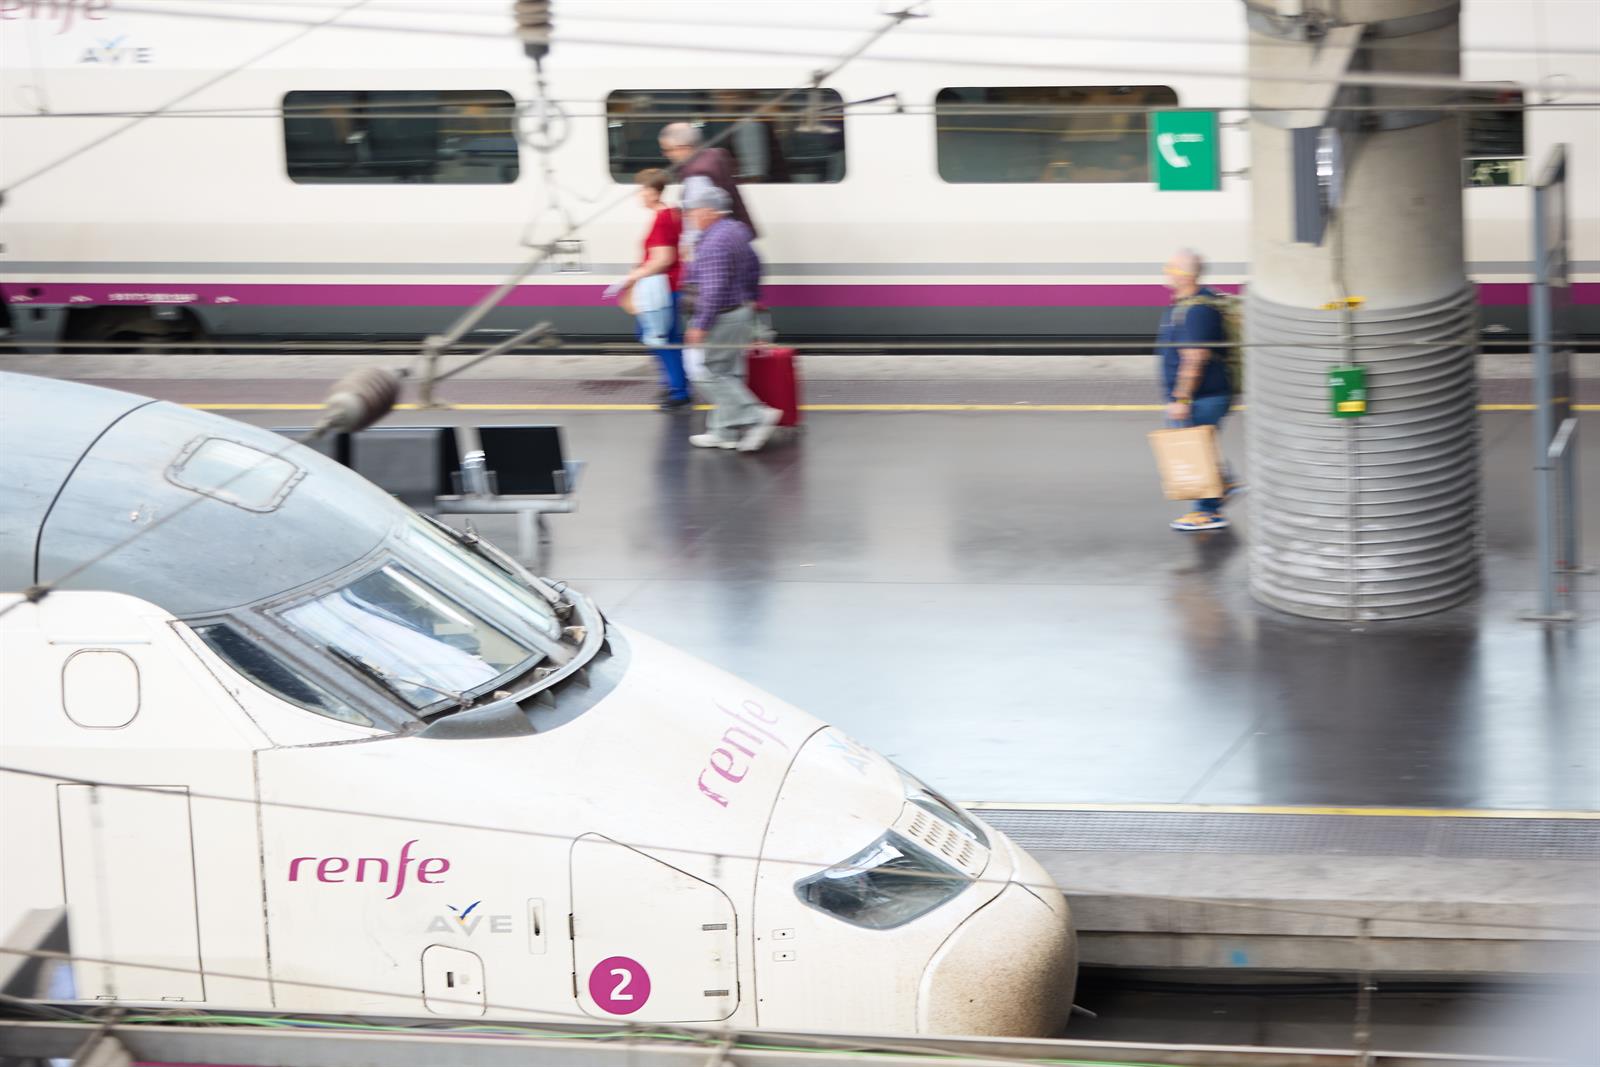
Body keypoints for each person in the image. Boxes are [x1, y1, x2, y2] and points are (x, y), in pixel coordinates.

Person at [681, 185, 781, 452]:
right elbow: (757, 265)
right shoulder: (736, 231)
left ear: (709, 211)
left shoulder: (714, 243)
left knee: (710, 373)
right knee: (729, 373)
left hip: (721, 318)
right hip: (739, 312)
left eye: (693, 210)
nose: (689, 215)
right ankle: (723, 432)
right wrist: (749, 298)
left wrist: (701, 325)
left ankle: (757, 416)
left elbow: (712, 290)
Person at [1158, 249, 1240, 532]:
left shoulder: (1197, 311)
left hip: (1203, 396)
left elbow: (1195, 358)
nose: (1166, 272)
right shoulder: (1186, 305)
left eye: (1169, 267)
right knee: (1200, 445)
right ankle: (1225, 483)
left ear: (1185, 275)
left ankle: (1208, 512)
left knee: (1195, 451)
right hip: (1203, 396)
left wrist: (1181, 398)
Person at [602, 168, 691, 411]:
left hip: (660, 288)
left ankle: (678, 391)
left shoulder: (662, 219)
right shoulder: (672, 212)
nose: (639, 195)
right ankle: (677, 384)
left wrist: (633, 276)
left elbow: (664, 257)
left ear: (652, 192)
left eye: (642, 190)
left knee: (659, 338)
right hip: (668, 287)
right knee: (664, 337)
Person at [658, 122, 757, 236]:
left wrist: (689, 242)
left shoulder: (696, 174)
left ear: (682, 148)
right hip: (737, 233)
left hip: (716, 241)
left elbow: (698, 221)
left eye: (668, 150)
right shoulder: (714, 156)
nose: (666, 155)